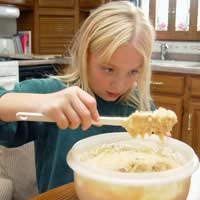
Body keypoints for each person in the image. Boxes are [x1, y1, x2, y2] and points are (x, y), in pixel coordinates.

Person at [0, 1, 155, 193]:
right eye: (108, 69)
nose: (120, 84)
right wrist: (42, 103)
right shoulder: (53, 94)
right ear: (85, 54)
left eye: (133, 72)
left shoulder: (141, 106)